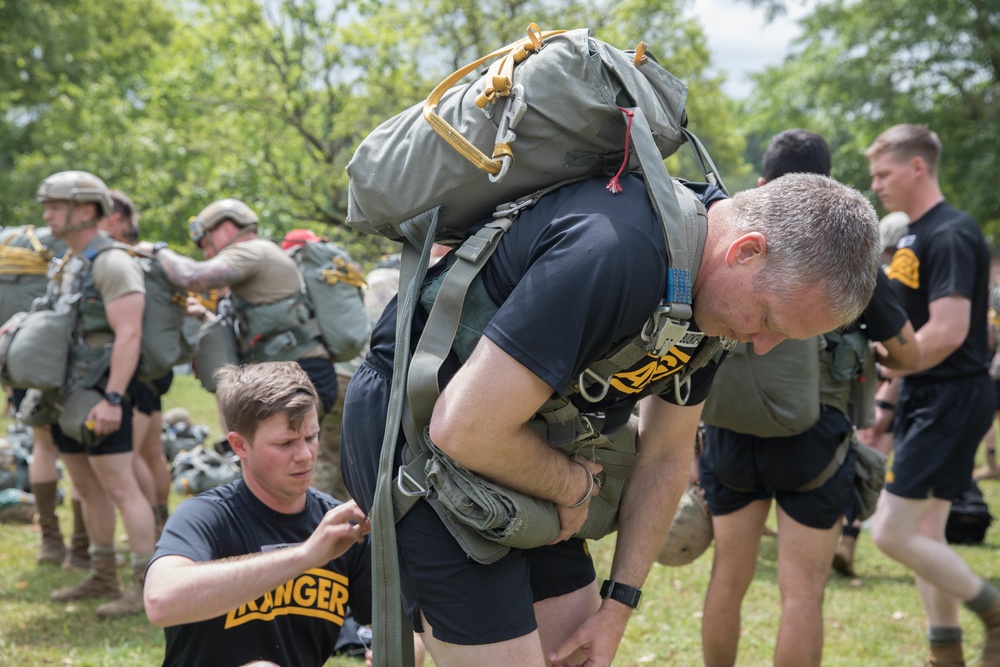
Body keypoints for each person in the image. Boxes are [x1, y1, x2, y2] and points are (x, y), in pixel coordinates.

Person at [341, 168, 882, 667]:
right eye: (768, 320)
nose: (762, 347)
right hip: (416, 430)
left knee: (574, 654)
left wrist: (618, 605)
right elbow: (464, 427)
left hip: (525, 442)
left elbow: (667, 453)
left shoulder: (707, 301)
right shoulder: (615, 251)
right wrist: (572, 486)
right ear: (746, 252)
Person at [697, 129, 920, 667]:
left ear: (764, 183)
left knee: (728, 578)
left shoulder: (736, 240)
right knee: (801, 594)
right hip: (814, 438)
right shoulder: (844, 260)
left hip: (728, 431)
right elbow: (907, 355)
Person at [144, 362, 397, 666]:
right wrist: (304, 556)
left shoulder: (340, 526)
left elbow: (401, 628)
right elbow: (160, 602)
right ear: (239, 445)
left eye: (311, 437)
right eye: (285, 443)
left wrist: (396, 652)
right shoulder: (205, 516)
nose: (305, 455)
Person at [866, 124, 998, 667]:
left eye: (884, 173)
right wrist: (889, 395)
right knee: (925, 531)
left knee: (890, 533)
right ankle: (946, 653)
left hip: (951, 397)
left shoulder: (950, 233)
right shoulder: (914, 235)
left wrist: (893, 363)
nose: (876, 185)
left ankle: (993, 610)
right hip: (927, 394)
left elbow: (947, 329)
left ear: (918, 167)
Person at [149, 201, 354, 501]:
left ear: (227, 228)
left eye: (206, 242)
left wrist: (158, 251)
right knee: (282, 477)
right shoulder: (258, 262)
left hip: (294, 380)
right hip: (291, 377)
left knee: (288, 479)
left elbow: (192, 277)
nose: (207, 253)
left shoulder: (252, 251)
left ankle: (311, 543)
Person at [34, 171, 157, 617]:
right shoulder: (69, 261)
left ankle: (146, 583)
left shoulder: (112, 262)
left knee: (120, 485)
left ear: (85, 210)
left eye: (55, 204)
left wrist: (112, 399)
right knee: (85, 486)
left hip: (103, 396)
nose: (46, 213)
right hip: (68, 395)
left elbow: (129, 335)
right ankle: (103, 573)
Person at [99, 190, 174, 536]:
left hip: (137, 366)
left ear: (116, 219)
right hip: (156, 366)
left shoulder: (119, 258)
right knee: (152, 451)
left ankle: (152, 527)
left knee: (131, 458)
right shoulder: (147, 255)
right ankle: (160, 519)